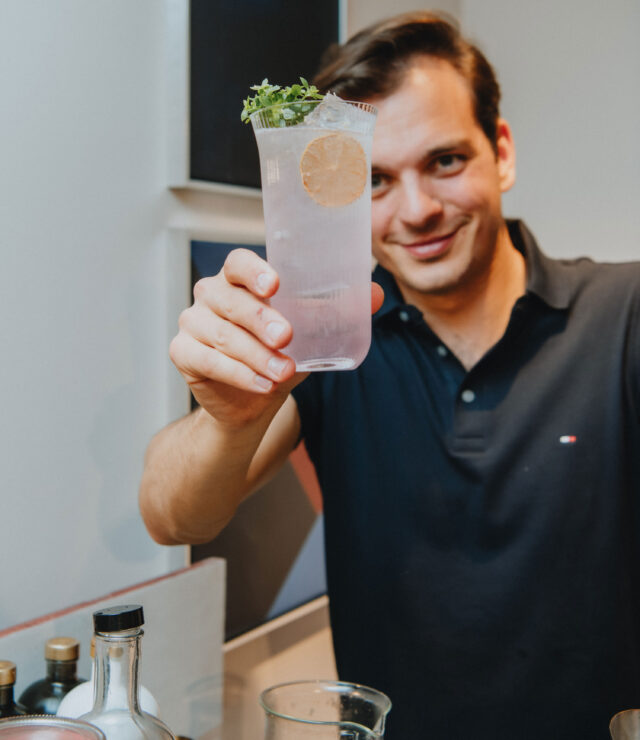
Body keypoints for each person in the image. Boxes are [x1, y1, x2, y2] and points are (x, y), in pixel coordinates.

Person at [139, 11, 640, 739]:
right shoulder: (330, 340)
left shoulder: (623, 314)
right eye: (373, 180)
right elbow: (173, 516)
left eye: (446, 161)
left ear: (500, 152)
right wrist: (228, 418)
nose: (417, 211)